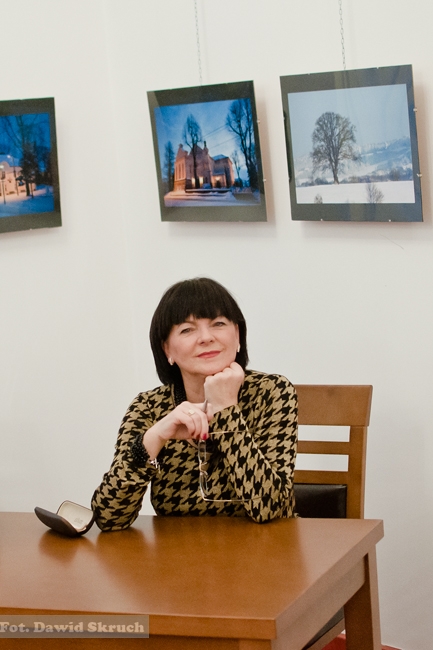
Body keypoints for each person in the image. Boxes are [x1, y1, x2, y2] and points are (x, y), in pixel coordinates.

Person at [91, 278, 298, 530]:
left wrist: (226, 408)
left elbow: (269, 508)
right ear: (167, 349)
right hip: (179, 551)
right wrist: (156, 436)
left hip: (265, 549)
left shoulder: (271, 392)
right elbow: (109, 518)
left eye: (218, 324)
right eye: (187, 330)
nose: (206, 338)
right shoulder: (148, 407)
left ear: (238, 336)